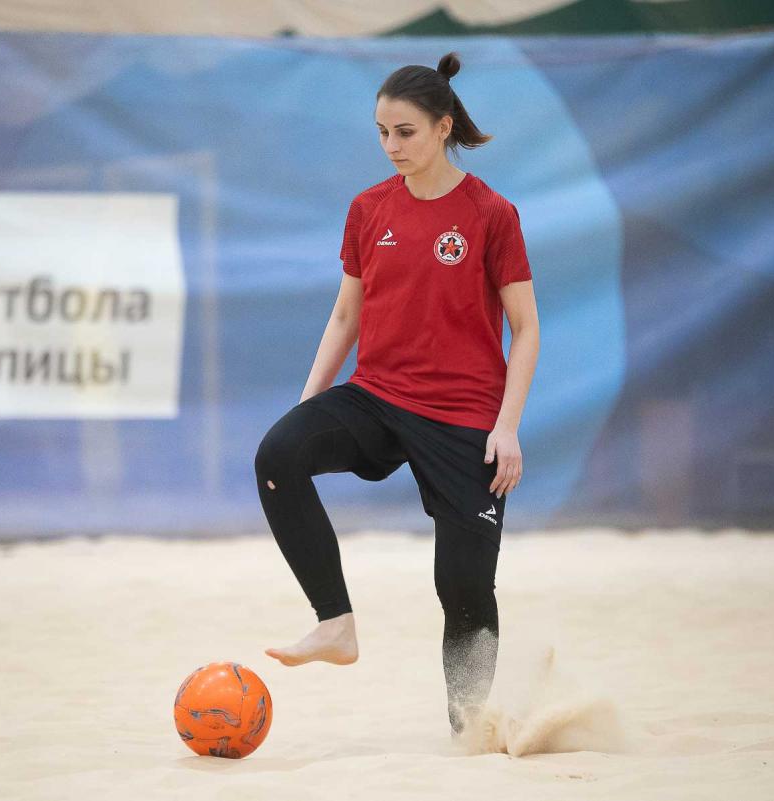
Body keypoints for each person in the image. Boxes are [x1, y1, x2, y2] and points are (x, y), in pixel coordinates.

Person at [254, 51, 540, 734]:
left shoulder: (491, 214)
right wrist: (308, 405)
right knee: (277, 454)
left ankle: (469, 727)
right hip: (378, 397)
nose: (391, 146)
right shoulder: (368, 209)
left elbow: (526, 329)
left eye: (405, 132)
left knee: (463, 588)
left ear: (444, 127)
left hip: (465, 418)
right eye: (382, 132)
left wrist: (506, 426)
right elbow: (345, 316)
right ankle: (335, 622)